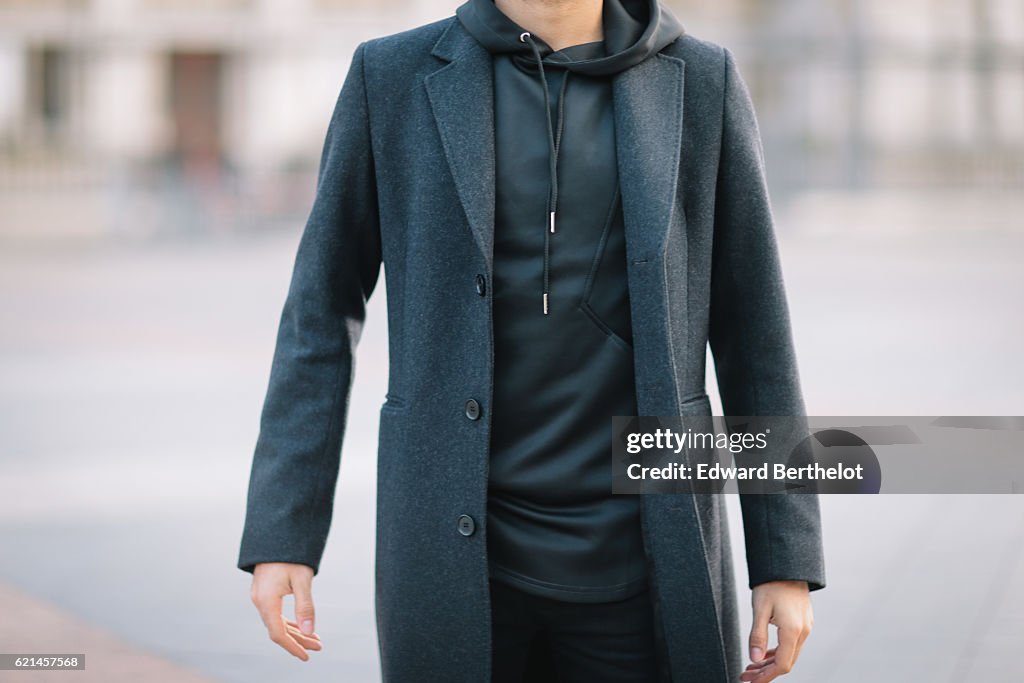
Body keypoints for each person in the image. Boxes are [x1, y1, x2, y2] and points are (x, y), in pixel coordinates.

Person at [237, 0, 826, 681]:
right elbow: (319, 315)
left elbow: (756, 330)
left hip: (648, 557)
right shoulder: (391, 75)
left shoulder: (702, 79)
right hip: (456, 556)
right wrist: (284, 534)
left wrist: (785, 558)